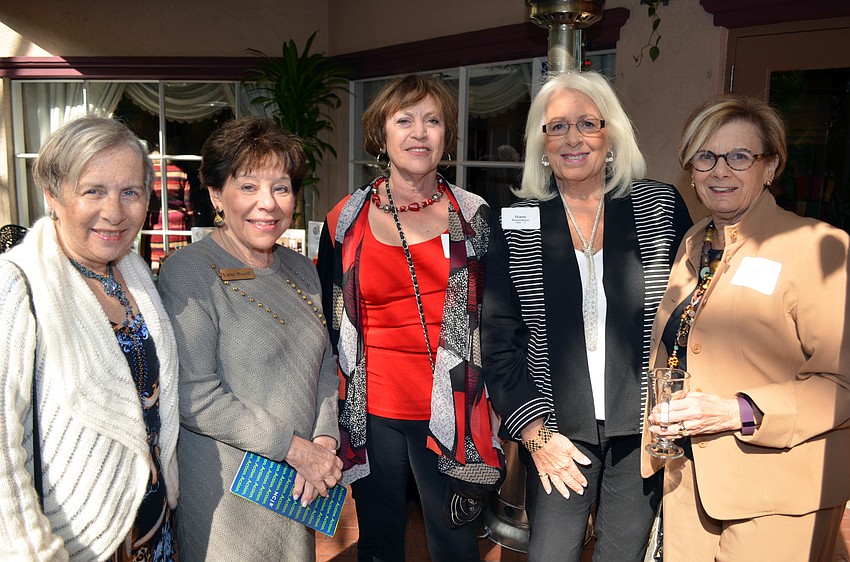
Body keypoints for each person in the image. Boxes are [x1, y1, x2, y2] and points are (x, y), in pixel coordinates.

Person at [481, 71, 692, 561]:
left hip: (643, 430)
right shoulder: (515, 220)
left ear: (611, 133)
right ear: (541, 143)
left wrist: (675, 404)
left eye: (587, 124)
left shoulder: (658, 206)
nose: (572, 138)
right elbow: (498, 341)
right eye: (557, 126)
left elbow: (688, 317)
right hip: (555, 431)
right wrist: (535, 435)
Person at [641, 96, 850, 561]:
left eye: (739, 156)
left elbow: (842, 382)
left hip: (781, 494)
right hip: (689, 479)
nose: (720, 171)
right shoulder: (694, 241)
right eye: (706, 156)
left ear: (770, 166)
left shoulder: (818, 247)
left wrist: (737, 411)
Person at [317, 74, 504, 562]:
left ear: (447, 136)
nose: (419, 133)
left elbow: (499, 320)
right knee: (378, 544)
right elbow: (329, 320)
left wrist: (500, 407)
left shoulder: (475, 217)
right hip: (371, 411)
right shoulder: (345, 219)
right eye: (404, 120)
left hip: (455, 412)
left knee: (455, 546)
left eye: (433, 121)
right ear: (381, 134)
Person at [158, 116, 342, 561]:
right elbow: (194, 397)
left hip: (297, 485)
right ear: (216, 195)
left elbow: (324, 364)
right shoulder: (189, 272)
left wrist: (324, 441)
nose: (268, 203)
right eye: (248, 186)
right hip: (228, 493)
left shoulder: (301, 268)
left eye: (281, 187)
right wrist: (295, 449)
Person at [0, 116, 179, 560]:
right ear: (53, 196)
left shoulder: (133, 273)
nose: (114, 212)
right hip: (75, 545)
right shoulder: (18, 285)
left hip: (153, 531)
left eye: (130, 192)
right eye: (93, 191)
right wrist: (34, 552)